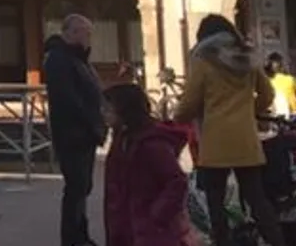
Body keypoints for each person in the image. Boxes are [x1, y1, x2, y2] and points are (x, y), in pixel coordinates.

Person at [173, 14, 284, 246]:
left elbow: (191, 100)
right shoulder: (248, 58)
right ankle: (277, 241)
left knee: (216, 201)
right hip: (245, 139)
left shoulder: (203, 61)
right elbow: (267, 94)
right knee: (257, 198)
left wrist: (178, 117)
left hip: (215, 140)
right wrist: (248, 111)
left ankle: (223, 242)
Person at [101, 84, 190, 246]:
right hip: (124, 229)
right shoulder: (121, 140)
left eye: (108, 109)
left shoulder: (152, 145)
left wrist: (157, 215)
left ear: (124, 111)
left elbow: (177, 182)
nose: (103, 114)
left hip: (150, 234)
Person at [44, 14, 106, 246]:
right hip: (73, 134)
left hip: (85, 134)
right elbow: (68, 99)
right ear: (70, 33)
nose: (89, 37)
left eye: (89, 32)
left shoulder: (79, 59)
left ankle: (80, 235)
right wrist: (92, 123)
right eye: (84, 32)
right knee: (76, 187)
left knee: (83, 187)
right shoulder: (59, 59)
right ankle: (72, 239)